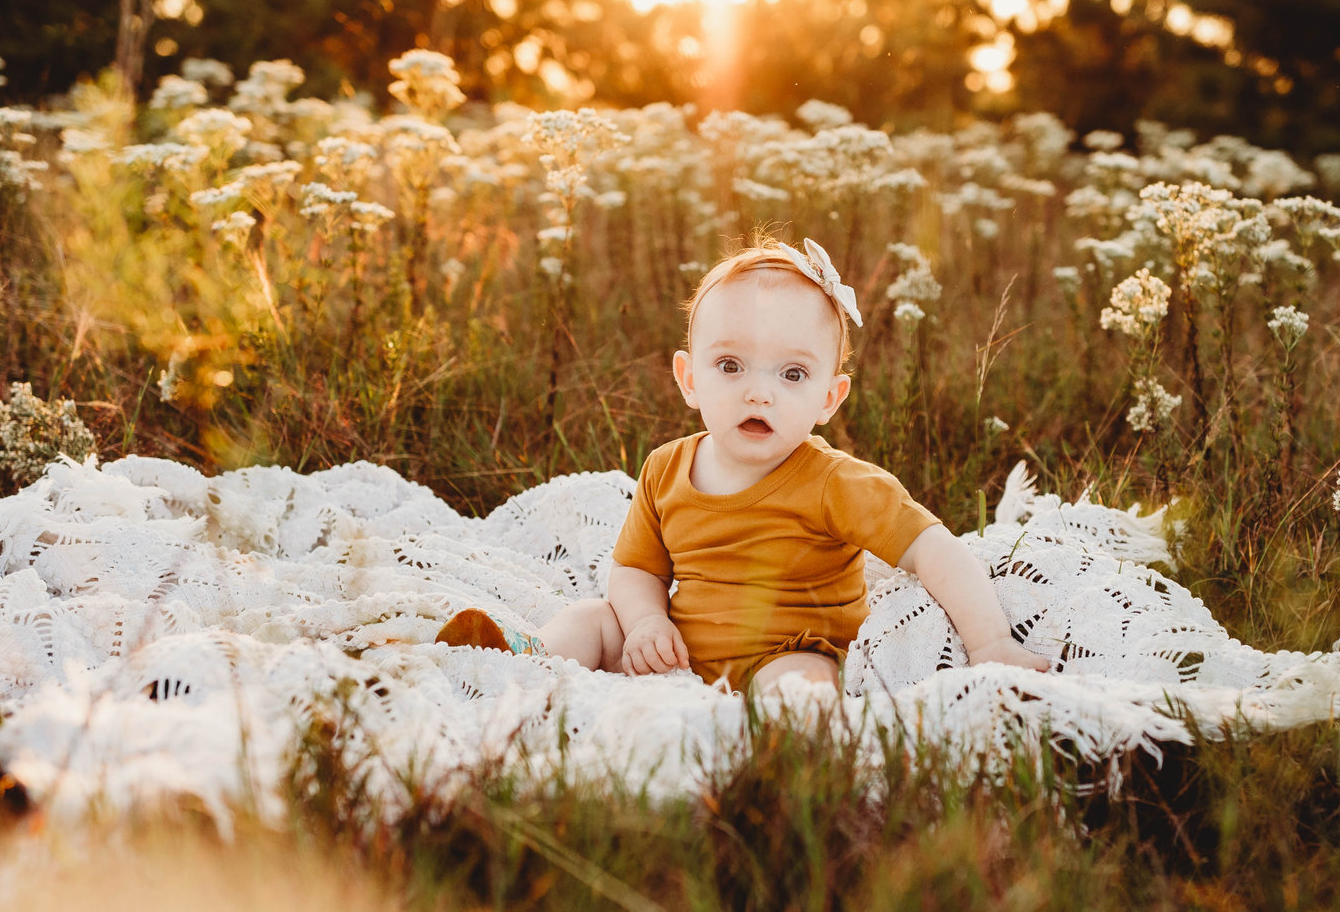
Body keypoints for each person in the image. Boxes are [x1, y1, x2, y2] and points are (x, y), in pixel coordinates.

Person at [435, 236, 1053, 695]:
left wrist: (990, 642)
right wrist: (647, 622)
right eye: (730, 366)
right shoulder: (666, 468)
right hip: (676, 649)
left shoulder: (836, 482)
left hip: (786, 651)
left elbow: (935, 550)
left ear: (828, 399)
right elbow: (632, 568)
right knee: (591, 618)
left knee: (801, 688)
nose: (759, 393)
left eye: (792, 374)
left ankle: (787, 750)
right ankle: (524, 661)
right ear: (690, 378)